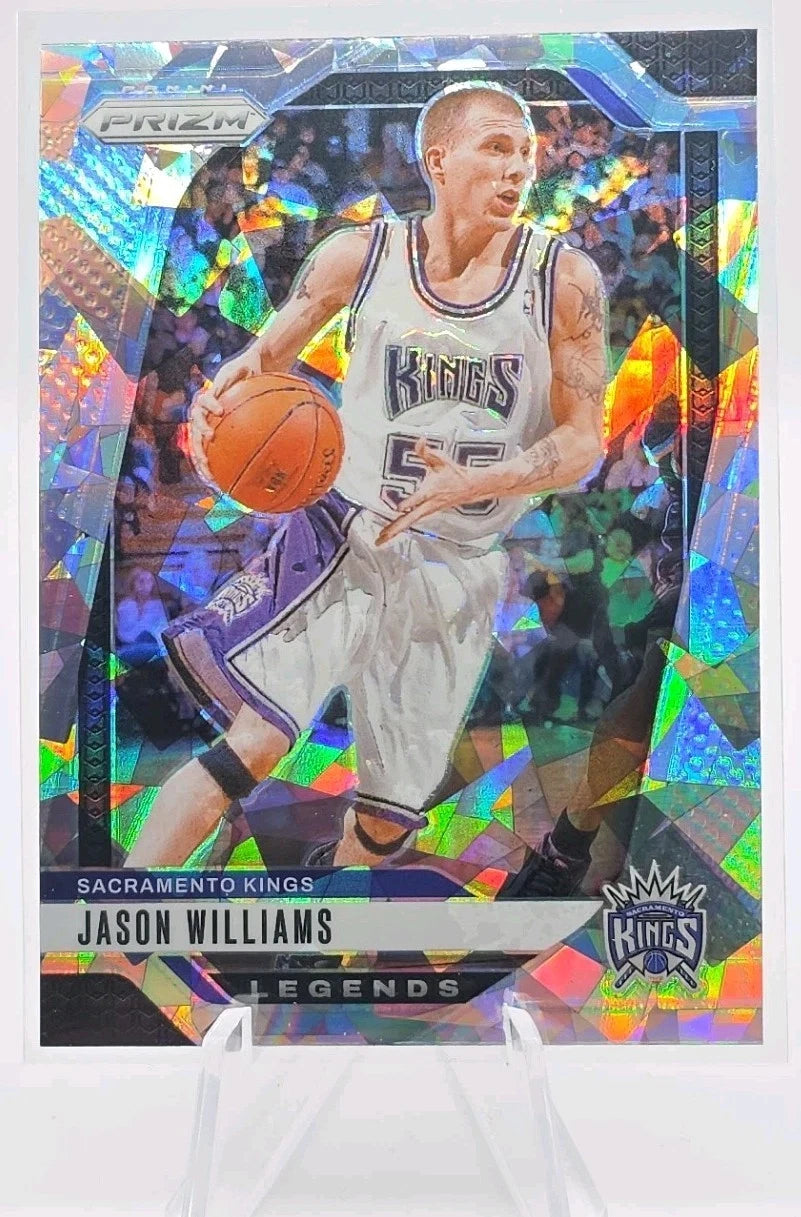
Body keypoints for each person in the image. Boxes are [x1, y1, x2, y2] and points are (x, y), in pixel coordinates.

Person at [125, 81, 609, 895]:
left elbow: (582, 440)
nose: (518, 168)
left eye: (526, 153)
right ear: (438, 160)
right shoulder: (360, 254)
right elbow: (261, 362)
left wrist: (482, 478)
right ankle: (117, 933)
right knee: (255, 742)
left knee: (387, 821)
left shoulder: (564, 280)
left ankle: (317, 932)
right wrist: (216, 408)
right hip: (345, 533)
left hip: (457, 564)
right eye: (496, 147)